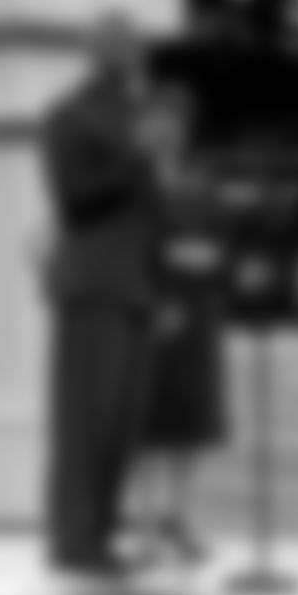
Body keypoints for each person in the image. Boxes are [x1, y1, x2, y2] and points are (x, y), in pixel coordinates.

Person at [37, 13, 163, 579]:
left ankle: (101, 536)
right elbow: (74, 201)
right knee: (85, 422)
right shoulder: (67, 116)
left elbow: (152, 206)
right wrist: (141, 159)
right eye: (131, 44)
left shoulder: (136, 115)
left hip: (135, 283)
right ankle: (72, 540)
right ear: (105, 52)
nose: (140, 53)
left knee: (120, 425)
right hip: (92, 281)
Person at [125, 87, 229, 566]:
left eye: (175, 121)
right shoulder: (128, 182)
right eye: (157, 120)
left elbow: (222, 242)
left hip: (199, 316)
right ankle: (143, 526)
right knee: (145, 426)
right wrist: (163, 269)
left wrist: (209, 258)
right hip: (149, 314)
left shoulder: (201, 181)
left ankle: (181, 520)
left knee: (192, 425)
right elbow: (123, 250)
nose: (167, 130)